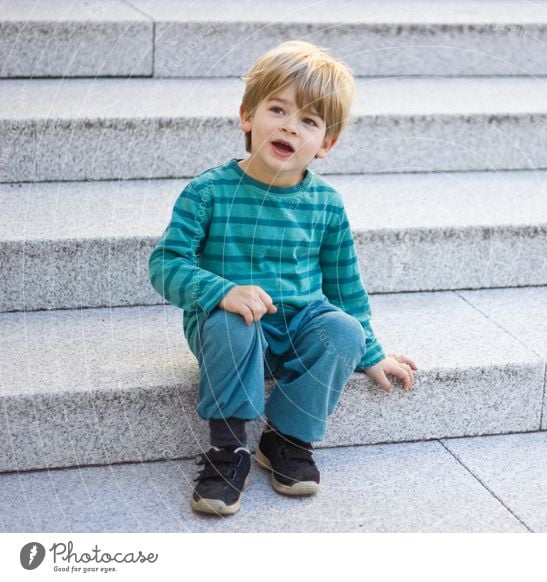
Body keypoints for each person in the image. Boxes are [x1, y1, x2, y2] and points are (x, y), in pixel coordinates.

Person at [149, 40, 418, 516]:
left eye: (309, 121)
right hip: (228, 331)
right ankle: (228, 447)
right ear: (248, 116)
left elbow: (344, 288)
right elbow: (165, 266)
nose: (290, 126)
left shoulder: (326, 205)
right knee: (231, 323)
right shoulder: (208, 192)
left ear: (326, 144)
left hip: (297, 328)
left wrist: (370, 352)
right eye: (278, 109)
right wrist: (222, 292)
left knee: (342, 329)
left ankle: (285, 439)